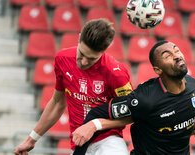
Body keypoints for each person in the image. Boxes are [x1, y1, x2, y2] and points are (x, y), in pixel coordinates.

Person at [14, 19, 133, 155]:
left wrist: (95, 125)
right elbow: (57, 103)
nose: (83, 62)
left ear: (103, 51)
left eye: (91, 59)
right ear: (79, 37)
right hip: (78, 146)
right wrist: (31, 140)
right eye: (82, 54)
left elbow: (132, 113)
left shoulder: (116, 73)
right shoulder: (62, 59)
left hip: (108, 143)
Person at [72, 41, 195, 155]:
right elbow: (98, 113)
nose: (176, 56)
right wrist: (93, 125)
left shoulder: (193, 85)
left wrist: (194, 128)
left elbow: (175, 115)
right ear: (158, 70)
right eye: (167, 55)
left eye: (176, 50)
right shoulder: (145, 98)